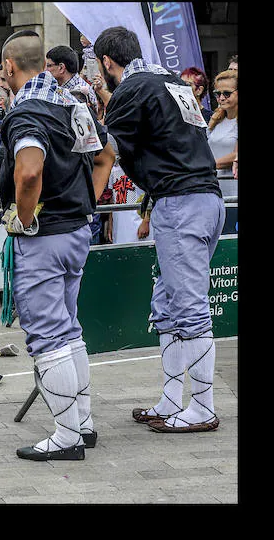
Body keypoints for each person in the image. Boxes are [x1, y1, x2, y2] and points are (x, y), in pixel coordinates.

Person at [95, 25, 225, 433]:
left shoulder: (130, 90)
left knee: (187, 308)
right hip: (203, 198)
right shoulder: (172, 81)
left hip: (181, 202)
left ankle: (202, 406)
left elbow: (105, 154)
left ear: (107, 62)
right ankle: (171, 399)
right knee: (168, 305)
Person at [0, 30, 110, 461]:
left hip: (45, 234)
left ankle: (67, 436)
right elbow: (106, 154)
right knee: (69, 329)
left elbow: (27, 172)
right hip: (77, 227)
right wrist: (87, 201)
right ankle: (82, 423)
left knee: (48, 336)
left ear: (9, 67)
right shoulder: (72, 102)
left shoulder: (26, 112)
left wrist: (24, 221)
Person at [206, 69, 238, 197]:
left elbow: (235, 154)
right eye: (217, 94)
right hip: (215, 188)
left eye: (227, 93)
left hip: (234, 189)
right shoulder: (215, 121)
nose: (221, 98)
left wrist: (208, 165)